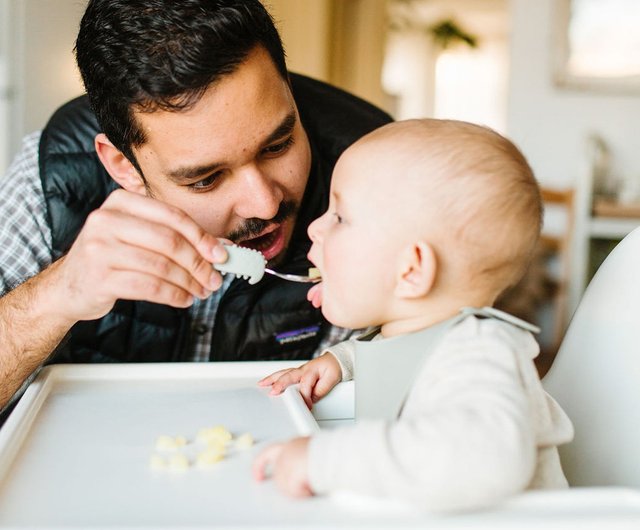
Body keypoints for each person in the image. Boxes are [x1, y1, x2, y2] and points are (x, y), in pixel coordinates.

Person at [0, 0, 391, 415]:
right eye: (205, 179)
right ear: (122, 166)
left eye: (278, 145)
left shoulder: (380, 169)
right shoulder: (53, 176)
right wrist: (55, 296)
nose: (265, 202)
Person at [253, 119, 574, 511]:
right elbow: (405, 354)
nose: (316, 228)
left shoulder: (479, 355)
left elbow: (480, 460)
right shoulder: (431, 335)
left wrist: (322, 459)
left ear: (411, 270)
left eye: (340, 217)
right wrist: (340, 362)